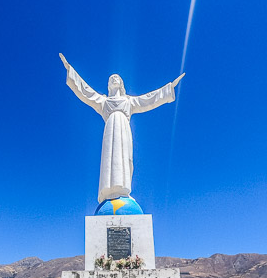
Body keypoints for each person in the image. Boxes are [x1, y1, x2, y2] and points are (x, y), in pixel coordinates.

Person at [60, 53, 184, 203]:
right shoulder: (103, 102)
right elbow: (86, 92)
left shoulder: (129, 101)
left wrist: (168, 88)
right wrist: (70, 71)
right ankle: (109, 192)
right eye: (111, 78)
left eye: (116, 77)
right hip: (110, 128)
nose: (114, 79)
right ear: (108, 84)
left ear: (121, 83)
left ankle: (123, 190)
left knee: (125, 158)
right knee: (109, 158)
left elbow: (149, 99)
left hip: (123, 128)